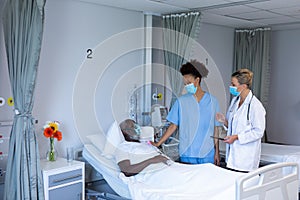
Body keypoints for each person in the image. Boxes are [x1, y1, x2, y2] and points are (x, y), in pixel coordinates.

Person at [151, 60, 222, 165]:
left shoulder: (213, 102)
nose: (187, 86)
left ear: (197, 80)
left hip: (207, 153)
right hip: (188, 153)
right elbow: (172, 126)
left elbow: (216, 129)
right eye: (185, 84)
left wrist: (217, 152)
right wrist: (158, 143)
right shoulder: (181, 102)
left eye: (189, 83)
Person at [216, 68, 266, 172]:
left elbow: (258, 131)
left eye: (233, 85)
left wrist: (237, 137)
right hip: (232, 156)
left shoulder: (255, 106)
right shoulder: (235, 101)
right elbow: (233, 125)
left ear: (243, 86)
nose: (231, 87)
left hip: (246, 159)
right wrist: (224, 121)